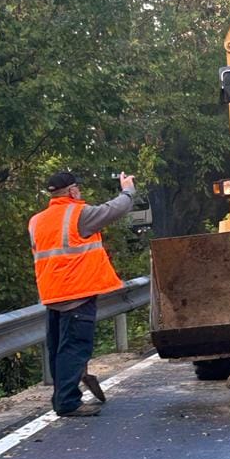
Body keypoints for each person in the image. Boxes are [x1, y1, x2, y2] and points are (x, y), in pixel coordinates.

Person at [28, 171, 138, 417]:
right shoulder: (79, 214)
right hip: (77, 293)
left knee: (59, 349)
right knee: (74, 348)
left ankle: (61, 397)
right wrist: (128, 189)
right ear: (73, 190)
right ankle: (68, 402)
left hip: (52, 295)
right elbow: (116, 208)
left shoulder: (36, 221)